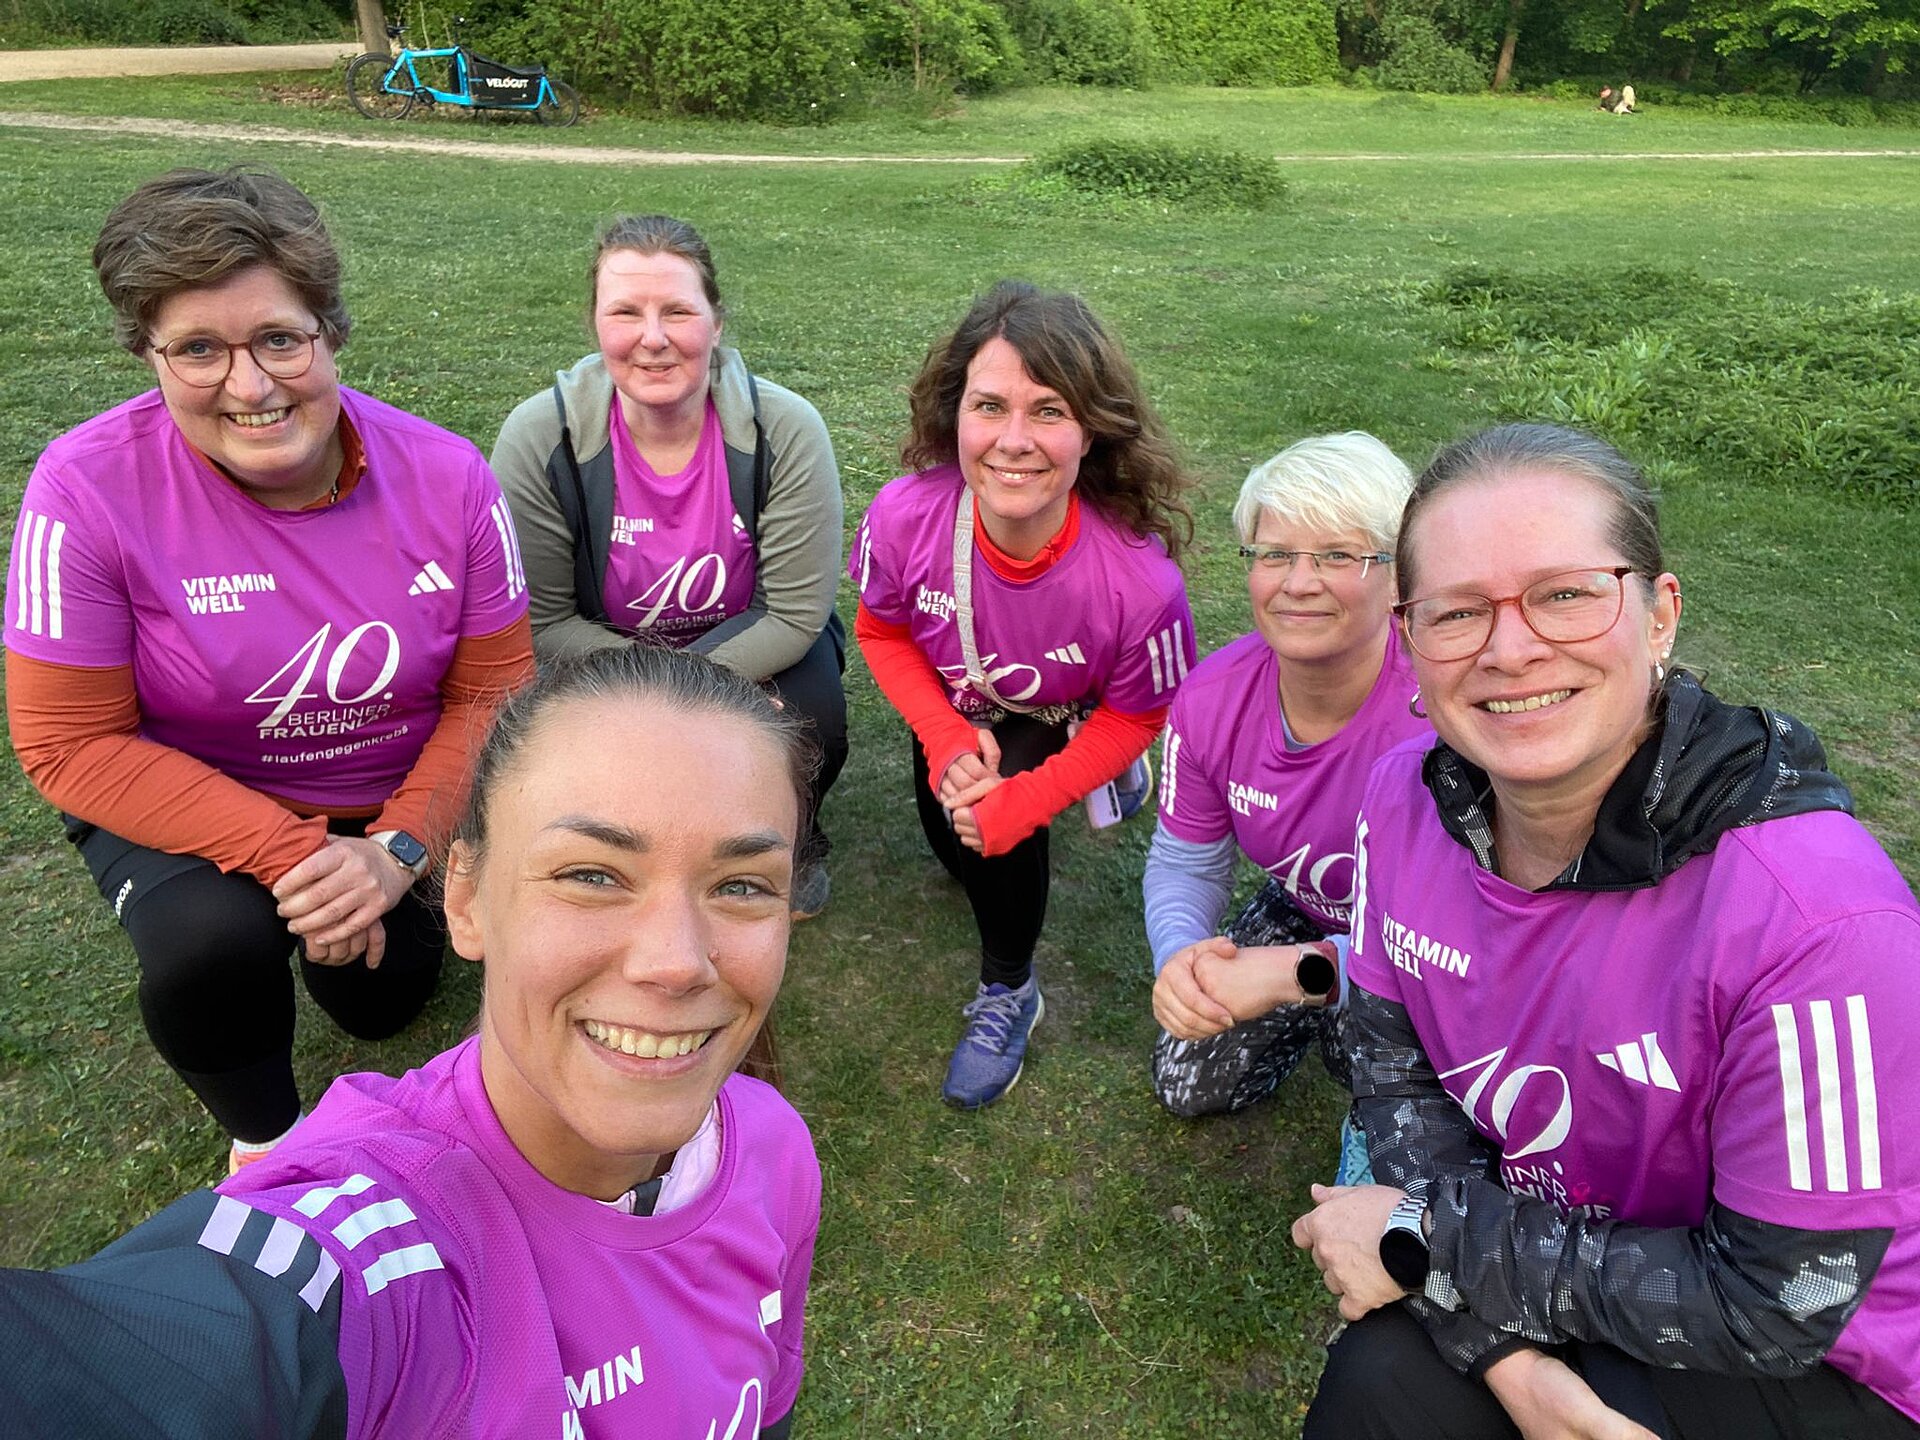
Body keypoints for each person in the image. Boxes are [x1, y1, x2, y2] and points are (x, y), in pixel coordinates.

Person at [0, 644, 822, 1439]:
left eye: (742, 885)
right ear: (464, 899)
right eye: (592, 875)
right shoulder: (370, 1256)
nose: (676, 961)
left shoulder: (772, 1147)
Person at [1290, 423, 1920, 1439]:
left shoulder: (1823, 925)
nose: (1510, 647)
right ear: (1409, 640)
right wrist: (1507, 1364)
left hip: (1820, 1363)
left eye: (1567, 593)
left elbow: (1780, 1301)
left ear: (1660, 612)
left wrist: (1423, 1245)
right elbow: (1393, 1073)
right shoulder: (1398, 802)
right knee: (1378, 1385)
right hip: (1562, 1259)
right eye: (1456, 612)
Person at [3, 167, 534, 1174]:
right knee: (210, 945)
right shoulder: (84, 487)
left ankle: (362, 918)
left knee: (378, 1005)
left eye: (280, 340)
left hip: (394, 805)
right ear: (147, 354)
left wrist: (396, 854)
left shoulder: (450, 477)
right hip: (194, 802)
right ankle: (266, 1140)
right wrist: (294, 859)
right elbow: (69, 741)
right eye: (200, 349)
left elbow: (493, 693)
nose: (249, 386)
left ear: (329, 334)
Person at [851, 279, 1197, 1109]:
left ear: (1093, 430)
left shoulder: (1139, 583)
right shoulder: (904, 517)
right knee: (953, 826)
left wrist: (1033, 797)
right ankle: (1001, 804)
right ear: (953, 415)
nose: (1014, 440)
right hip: (958, 696)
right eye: (990, 406)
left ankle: (1010, 989)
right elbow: (882, 632)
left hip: (1065, 709)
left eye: (1048, 411)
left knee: (996, 831)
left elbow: (1138, 711)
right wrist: (939, 735)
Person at [492, 214, 846, 918]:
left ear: (716, 323)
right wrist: (667, 692)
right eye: (626, 311)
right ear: (596, 324)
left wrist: (698, 684)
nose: (652, 338)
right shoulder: (540, 437)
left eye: (678, 311)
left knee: (814, 716)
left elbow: (796, 612)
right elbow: (545, 622)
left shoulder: (786, 428)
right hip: (599, 649)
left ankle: (788, 840)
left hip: (754, 644)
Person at [1146, 433, 1425, 1134]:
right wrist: (1183, 956)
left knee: (1368, 1056)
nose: (1298, 582)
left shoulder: (1444, 719)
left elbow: (1480, 946)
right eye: (1274, 554)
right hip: (1309, 906)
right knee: (1187, 1077)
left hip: (1431, 949)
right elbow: (1185, 859)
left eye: (1337, 555)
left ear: (1398, 577)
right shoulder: (1212, 698)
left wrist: (1294, 974)